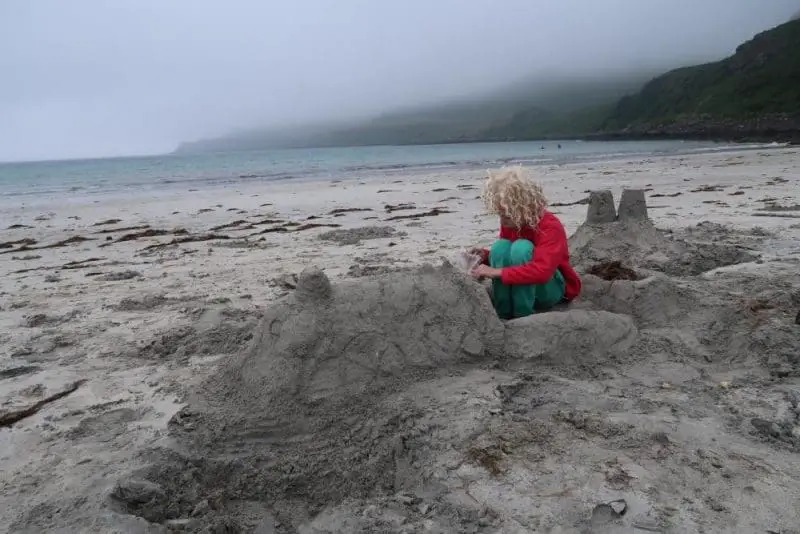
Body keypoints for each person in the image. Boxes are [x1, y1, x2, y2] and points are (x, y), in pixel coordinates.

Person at [470, 166, 581, 319]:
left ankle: (523, 314)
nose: (502, 221)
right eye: (499, 215)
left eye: (507, 216)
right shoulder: (512, 223)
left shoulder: (550, 227)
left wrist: (496, 272)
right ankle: (504, 312)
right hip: (521, 284)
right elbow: (508, 258)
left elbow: (542, 271)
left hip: (551, 288)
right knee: (500, 247)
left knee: (521, 248)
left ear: (523, 210)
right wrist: (485, 256)